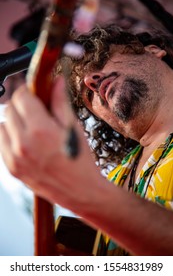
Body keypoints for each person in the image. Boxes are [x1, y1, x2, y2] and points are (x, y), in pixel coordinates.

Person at [0, 23, 173, 256]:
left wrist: (87, 193)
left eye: (101, 61)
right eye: (87, 95)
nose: (91, 81)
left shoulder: (98, 189)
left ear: (154, 51)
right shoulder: (114, 179)